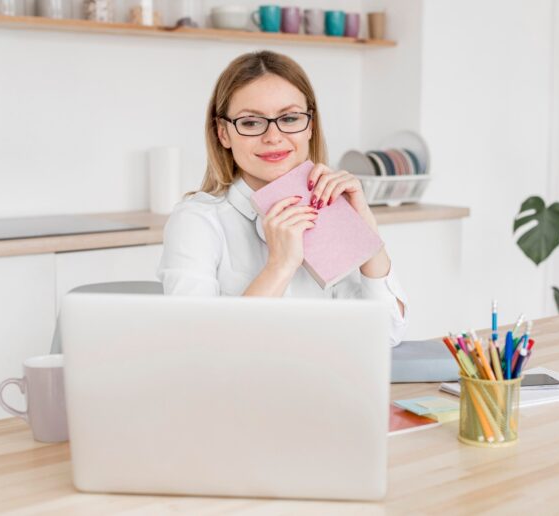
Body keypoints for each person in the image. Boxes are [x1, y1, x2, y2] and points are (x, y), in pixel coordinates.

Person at [157, 50, 408, 346]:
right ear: (223, 133)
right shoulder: (196, 219)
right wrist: (280, 265)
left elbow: (387, 334)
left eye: (289, 118)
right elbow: (198, 348)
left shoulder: (326, 203)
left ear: (310, 126)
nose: (273, 137)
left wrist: (368, 240)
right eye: (251, 123)